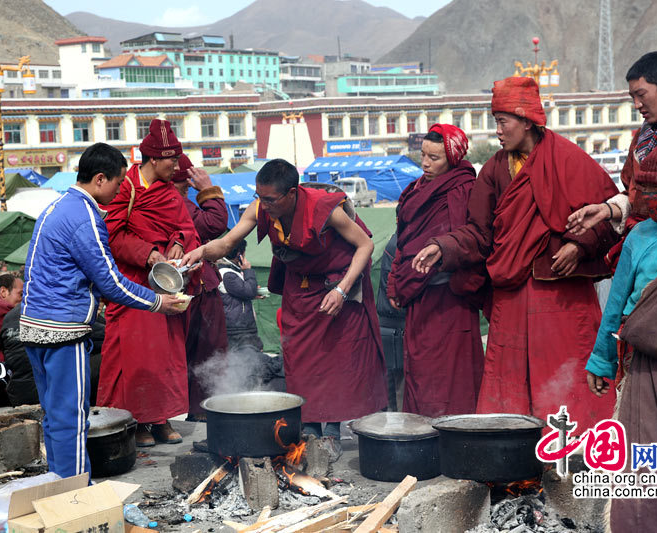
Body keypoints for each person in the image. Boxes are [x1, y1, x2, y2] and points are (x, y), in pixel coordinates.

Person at [412, 77, 620, 431]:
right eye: (495, 121)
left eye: (503, 121)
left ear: (526, 120)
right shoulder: (494, 169)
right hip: (511, 295)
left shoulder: (568, 158)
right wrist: (442, 246)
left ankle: (578, 453)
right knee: (509, 382)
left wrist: (578, 244)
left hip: (560, 293)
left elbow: (606, 213)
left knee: (567, 378)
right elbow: (480, 231)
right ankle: (514, 455)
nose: (497, 131)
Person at [182, 158, 386, 456]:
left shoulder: (324, 209)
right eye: (259, 197)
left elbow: (365, 245)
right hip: (299, 290)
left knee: (337, 358)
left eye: (269, 199)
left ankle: (332, 430)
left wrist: (343, 290)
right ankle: (311, 427)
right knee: (301, 360)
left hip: (336, 285)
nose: (263, 205)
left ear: (291, 193)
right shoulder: (260, 207)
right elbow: (227, 244)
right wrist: (199, 252)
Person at [20, 143, 181, 479]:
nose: (123, 188)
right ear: (99, 179)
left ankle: (60, 486)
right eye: (119, 181)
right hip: (63, 329)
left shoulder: (56, 207)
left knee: (54, 415)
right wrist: (157, 302)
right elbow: (110, 281)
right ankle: (77, 492)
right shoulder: (85, 216)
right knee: (71, 418)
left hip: (34, 324)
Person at [585, 141, 657, 532]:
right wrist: (602, 361)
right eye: (642, 189)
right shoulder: (640, 238)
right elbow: (615, 307)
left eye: (654, 191)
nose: (644, 198)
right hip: (645, 373)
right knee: (644, 471)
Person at [99, 120, 199, 447]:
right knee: (135, 356)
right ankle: (136, 421)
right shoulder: (124, 188)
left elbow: (186, 227)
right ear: (153, 159)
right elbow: (112, 236)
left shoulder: (169, 192)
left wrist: (179, 244)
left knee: (166, 355)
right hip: (133, 283)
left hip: (164, 282)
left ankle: (161, 418)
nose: (177, 166)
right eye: (172, 159)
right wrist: (148, 253)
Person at [387, 125, 484, 417]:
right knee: (419, 367)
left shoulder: (463, 188)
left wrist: (441, 250)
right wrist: (396, 281)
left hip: (449, 298)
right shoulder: (418, 188)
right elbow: (403, 239)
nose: (426, 164)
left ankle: (457, 434)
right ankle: (422, 433)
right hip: (418, 296)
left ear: (453, 159)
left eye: (435, 158)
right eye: (423, 155)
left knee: (452, 374)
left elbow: (473, 238)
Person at [568, 52, 657, 241]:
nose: (636, 105)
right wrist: (606, 210)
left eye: (641, 95)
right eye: (632, 97)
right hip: (645, 239)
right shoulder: (642, 139)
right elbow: (635, 195)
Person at [171, 154, 229, 422]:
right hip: (194, 288)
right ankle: (202, 410)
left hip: (190, 286)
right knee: (206, 353)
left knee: (196, 354)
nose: (186, 187)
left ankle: (198, 408)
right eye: (184, 182)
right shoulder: (175, 202)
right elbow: (215, 223)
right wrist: (207, 189)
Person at [217, 239, 264, 352]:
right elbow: (248, 291)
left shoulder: (231, 271)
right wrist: (248, 270)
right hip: (237, 329)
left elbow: (242, 293)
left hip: (240, 326)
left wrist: (253, 293)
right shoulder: (227, 274)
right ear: (239, 254)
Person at [376, 233, 406, 412]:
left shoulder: (398, 241)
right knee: (398, 392)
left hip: (391, 326)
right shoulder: (399, 244)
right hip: (395, 325)